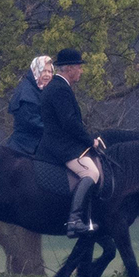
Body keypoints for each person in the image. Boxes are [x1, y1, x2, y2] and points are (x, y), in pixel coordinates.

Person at [36, 48, 100, 238]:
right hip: (59, 146)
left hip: (60, 142)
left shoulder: (58, 87)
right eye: (79, 67)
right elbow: (69, 122)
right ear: (70, 68)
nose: (81, 71)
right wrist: (90, 141)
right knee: (91, 172)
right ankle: (74, 220)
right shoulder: (60, 89)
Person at [6, 55, 53, 155]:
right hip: (26, 145)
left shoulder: (41, 90)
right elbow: (33, 122)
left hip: (39, 142)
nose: (47, 75)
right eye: (43, 71)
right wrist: (55, 130)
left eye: (50, 72)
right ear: (36, 71)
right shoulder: (27, 92)